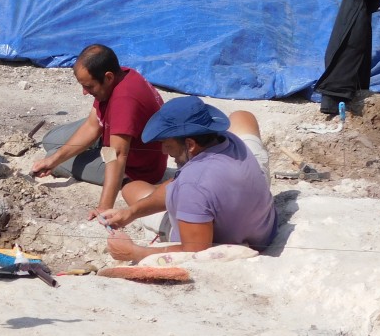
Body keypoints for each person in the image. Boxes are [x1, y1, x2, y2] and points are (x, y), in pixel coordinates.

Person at [97, 96, 278, 263]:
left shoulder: (193, 186)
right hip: (259, 217)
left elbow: (194, 251)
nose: (163, 151)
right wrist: (131, 213)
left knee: (132, 189)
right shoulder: (226, 138)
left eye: (167, 144)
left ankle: (130, 188)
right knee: (242, 117)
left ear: (190, 144)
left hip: (230, 239)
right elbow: (182, 182)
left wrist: (134, 252)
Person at [30, 44, 166, 215]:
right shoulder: (119, 75)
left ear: (108, 77)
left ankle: (124, 181)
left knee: (52, 155)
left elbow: (116, 156)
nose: (84, 93)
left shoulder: (123, 101)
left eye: (89, 87)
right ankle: (82, 152)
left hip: (138, 165)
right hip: (114, 138)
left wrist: (104, 207)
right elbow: (93, 125)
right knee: (50, 140)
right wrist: (54, 161)